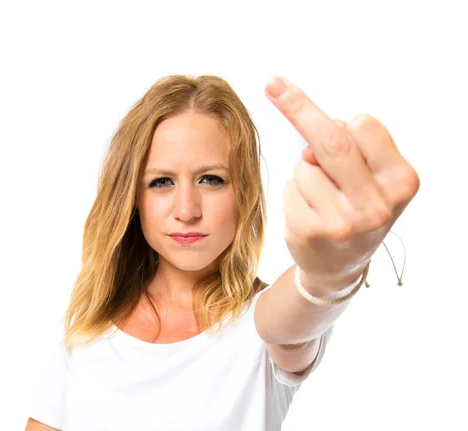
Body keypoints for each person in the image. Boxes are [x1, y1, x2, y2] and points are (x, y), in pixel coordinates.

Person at [24, 74, 420, 431]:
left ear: (243, 194)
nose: (186, 209)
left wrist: (332, 273)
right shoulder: (85, 333)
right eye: (161, 181)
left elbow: (295, 317)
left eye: (211, 179)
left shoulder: (260, 327)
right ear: (132, 199)